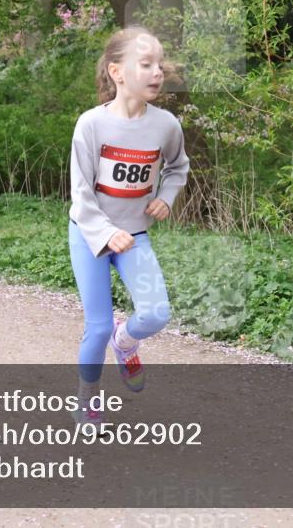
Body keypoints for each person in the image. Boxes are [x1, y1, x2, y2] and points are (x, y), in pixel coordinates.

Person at [68, 26, 190, 425]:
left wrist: (165, 197)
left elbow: (177, 167)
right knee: (97, 327)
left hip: (135, 235)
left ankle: (127, 341)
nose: (157, 72)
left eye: (159, 64)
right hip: (90, 236)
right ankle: (87, 400)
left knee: (156, 314)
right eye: (146, 64)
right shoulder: (91, 124)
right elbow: (81, 193)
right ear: (117, 72)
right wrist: (105, 233)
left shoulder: (166, 125)